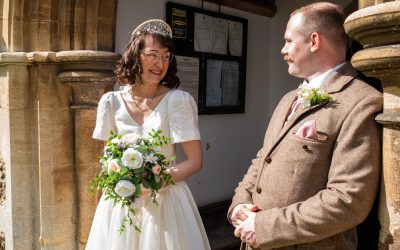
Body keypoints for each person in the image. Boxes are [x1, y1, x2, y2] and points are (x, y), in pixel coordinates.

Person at [228, 2, 382, 250]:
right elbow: (263, 159)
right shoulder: (287, 99)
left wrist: (265, 226)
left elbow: (348, 201)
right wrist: (240, 202)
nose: (282, 50)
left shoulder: (362, 102)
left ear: (313, 41)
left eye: (288, 41)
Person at [86, 19, 211, 250]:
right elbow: (107, 160)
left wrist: (153, 183)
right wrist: (121, 178)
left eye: (166, 56)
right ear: (135, 55)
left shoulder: (178, 101)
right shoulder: (111, 102)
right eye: (153, 54)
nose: (160, 63)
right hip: (123, 202)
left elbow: (194, 161)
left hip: (167, 203)